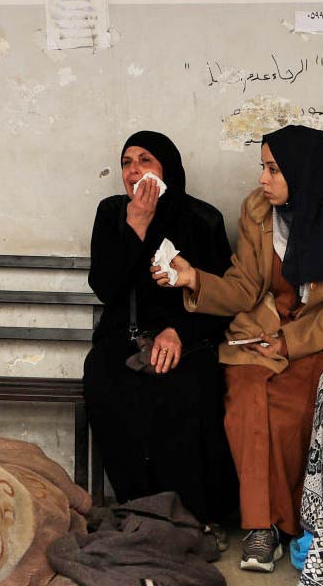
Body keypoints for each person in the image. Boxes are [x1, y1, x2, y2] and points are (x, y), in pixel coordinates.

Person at [154, 125, 323, 572]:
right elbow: (243, 287)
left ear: (303, 171)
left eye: (273, 169)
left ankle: (285, 525)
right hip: (257, 335)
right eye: (263, 167)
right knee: (245, 403)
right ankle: (261, 529)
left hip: (318, 339)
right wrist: (194, 279)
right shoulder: (258, 213)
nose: (262, 179)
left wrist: (290, 341)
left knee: (291, 410)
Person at [84, 130, 239, 532]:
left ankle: (195, 517)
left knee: (185, 391)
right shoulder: (111, 213)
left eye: (145, 161)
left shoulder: (202, 219)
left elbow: (221, 298)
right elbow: (105, 287)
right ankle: (138, 511)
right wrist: (136, 224)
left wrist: (179, 331)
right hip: (124, 336)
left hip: (189, 336)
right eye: (126, 162)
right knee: (108, 381)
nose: (133, 170)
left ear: (166, 168)